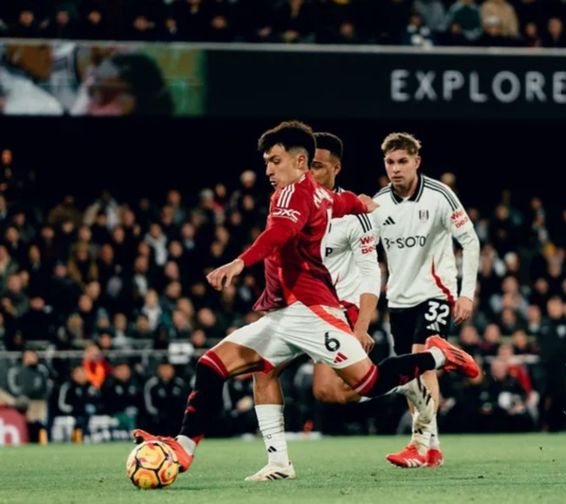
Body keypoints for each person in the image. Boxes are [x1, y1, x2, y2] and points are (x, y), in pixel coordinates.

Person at [131, 121, 480, 476]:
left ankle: (439, 355)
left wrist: (239, 262)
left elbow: (278, 233)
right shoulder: (316, 192)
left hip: (313, 312)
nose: (268, 169)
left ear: (300, 162)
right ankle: (200, 449)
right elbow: (337, 201)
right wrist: (359, 203)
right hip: (285, 313)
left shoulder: (291, 194)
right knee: (212, 366)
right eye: (267, 161)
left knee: (368, 383)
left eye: (275, 161)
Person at [244, 131, 390, 481]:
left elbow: (371, 274)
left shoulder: (354, 216)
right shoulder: (292, 199)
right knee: (263, 369)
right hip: (299, 307)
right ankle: (278, 462)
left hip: (338, 309)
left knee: (327, 390)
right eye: (308, 165)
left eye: (319, 167)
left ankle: (402, 381)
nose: (311, 172)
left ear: (336, 168)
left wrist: (362, 327)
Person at [372, 132, 480, 468]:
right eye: (390, 162)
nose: (396, 168)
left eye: (403, 161)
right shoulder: (379, 204)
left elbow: (471, 241)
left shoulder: (439, 195)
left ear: (417, 162)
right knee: (408, 376)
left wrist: (466, 294)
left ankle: (418, 444)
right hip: (399, 299)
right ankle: (432, 447)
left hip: (436, 292)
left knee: (420, 358)